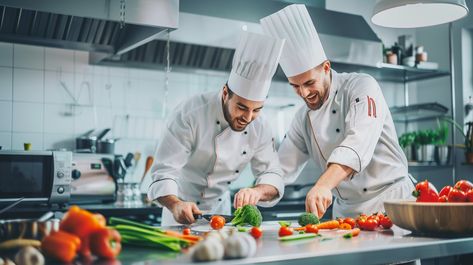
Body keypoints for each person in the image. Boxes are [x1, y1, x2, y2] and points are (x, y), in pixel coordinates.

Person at [260, 4, 415, 218]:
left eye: (309, 83)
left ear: (326, 67)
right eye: (295, 86)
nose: (304, 93)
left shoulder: (361, 86)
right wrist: (258, 190)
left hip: (392, 203)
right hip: (347, 212)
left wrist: (323, 184)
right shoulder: (302, 119)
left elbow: (358, 142)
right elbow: (282, 167)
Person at [147, 31, 286, 226]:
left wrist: (257, 191)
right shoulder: (189, 114)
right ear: (225, 93)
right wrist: (175, 204)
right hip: (179, 211)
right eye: (242, 107)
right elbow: (164, 172)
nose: (248, 117)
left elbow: (273, 174)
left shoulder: (260, 126)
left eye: (257, 109)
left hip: (221, 213)